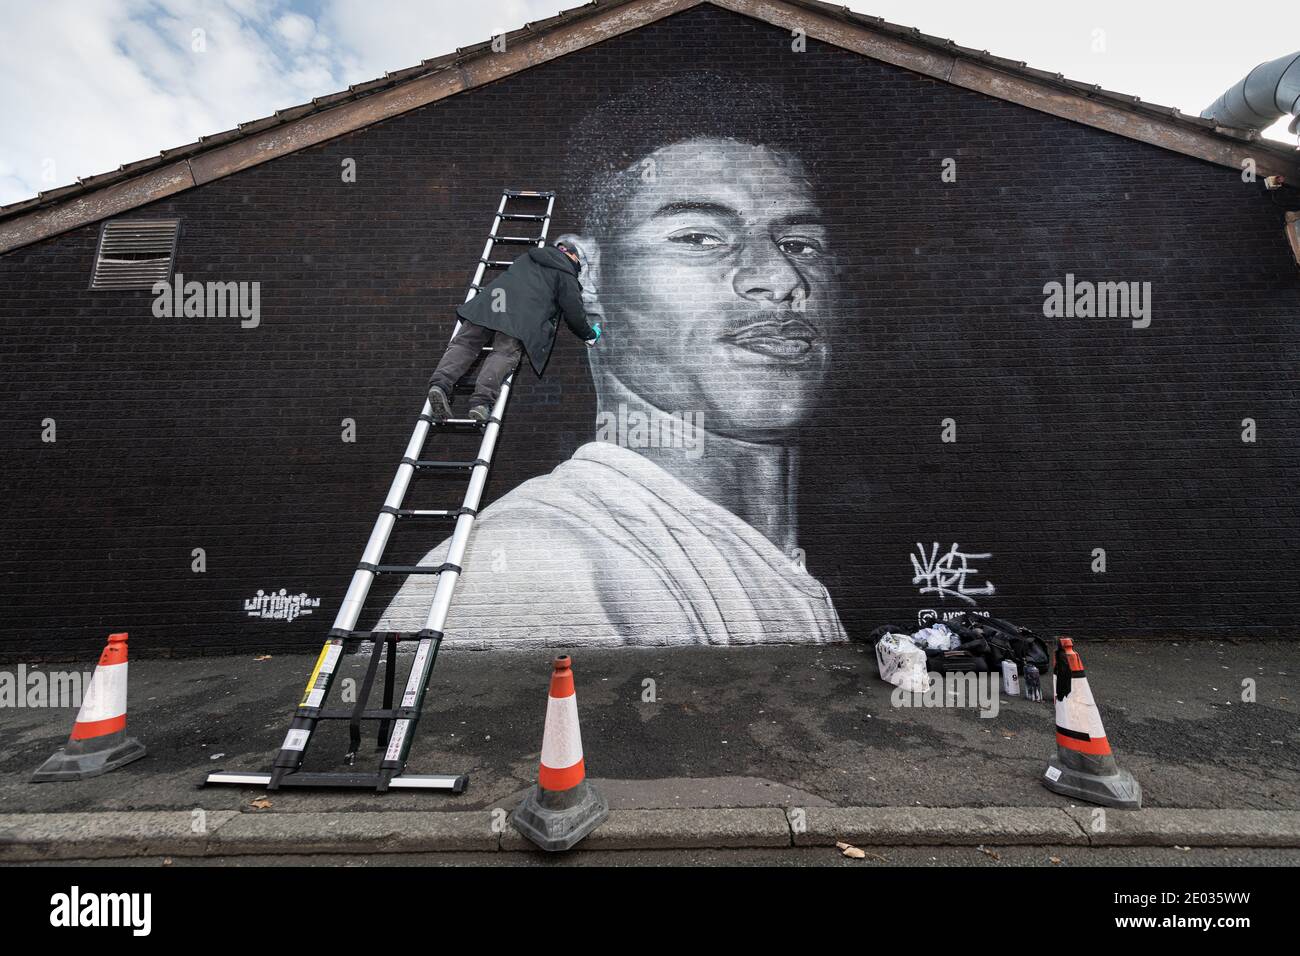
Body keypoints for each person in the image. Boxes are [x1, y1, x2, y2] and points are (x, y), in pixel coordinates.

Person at [378, 72, 847, 647]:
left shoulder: (762, 566)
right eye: (698, 237)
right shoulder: (538, 567)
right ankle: (471, 395)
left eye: (801, 244)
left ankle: (465, 392)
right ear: (591, 275)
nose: (780, 278)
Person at [426, 241, 601, 421]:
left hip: (490, 302)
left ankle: (440, 384)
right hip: (519, 316)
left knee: (465, 344)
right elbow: (574, 313)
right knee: (504, 353)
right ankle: (481, 402)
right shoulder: (565, 272)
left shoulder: (529, 256)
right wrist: (589, 334)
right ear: (572, 255)